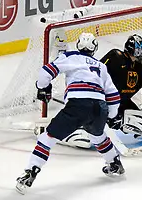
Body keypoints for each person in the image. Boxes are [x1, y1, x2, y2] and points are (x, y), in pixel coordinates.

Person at [16, 32, 124, 195]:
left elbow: (46, 72)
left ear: (79, 45)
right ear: (95, 49)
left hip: (78, 104)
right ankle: (114, 162)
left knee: (48, 138)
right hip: (100, 107)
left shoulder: (71, 56)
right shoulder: (101, 66)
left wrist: (42, 87)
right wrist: (111, 115)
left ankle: (30, 172)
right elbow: (113, 95)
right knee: (97, 135)